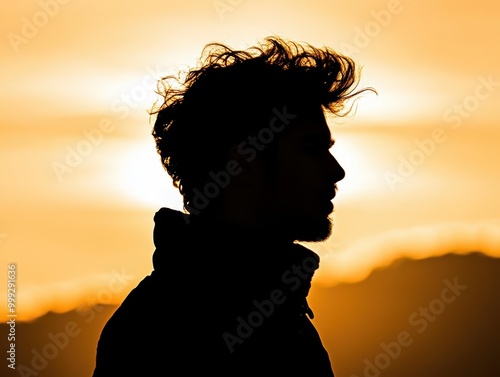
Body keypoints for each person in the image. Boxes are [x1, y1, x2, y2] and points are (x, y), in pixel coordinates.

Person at [92, 36, 373, 376]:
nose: (336, 171)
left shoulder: (277, 312)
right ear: (246, 163)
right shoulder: (166, 330)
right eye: (312, 149)